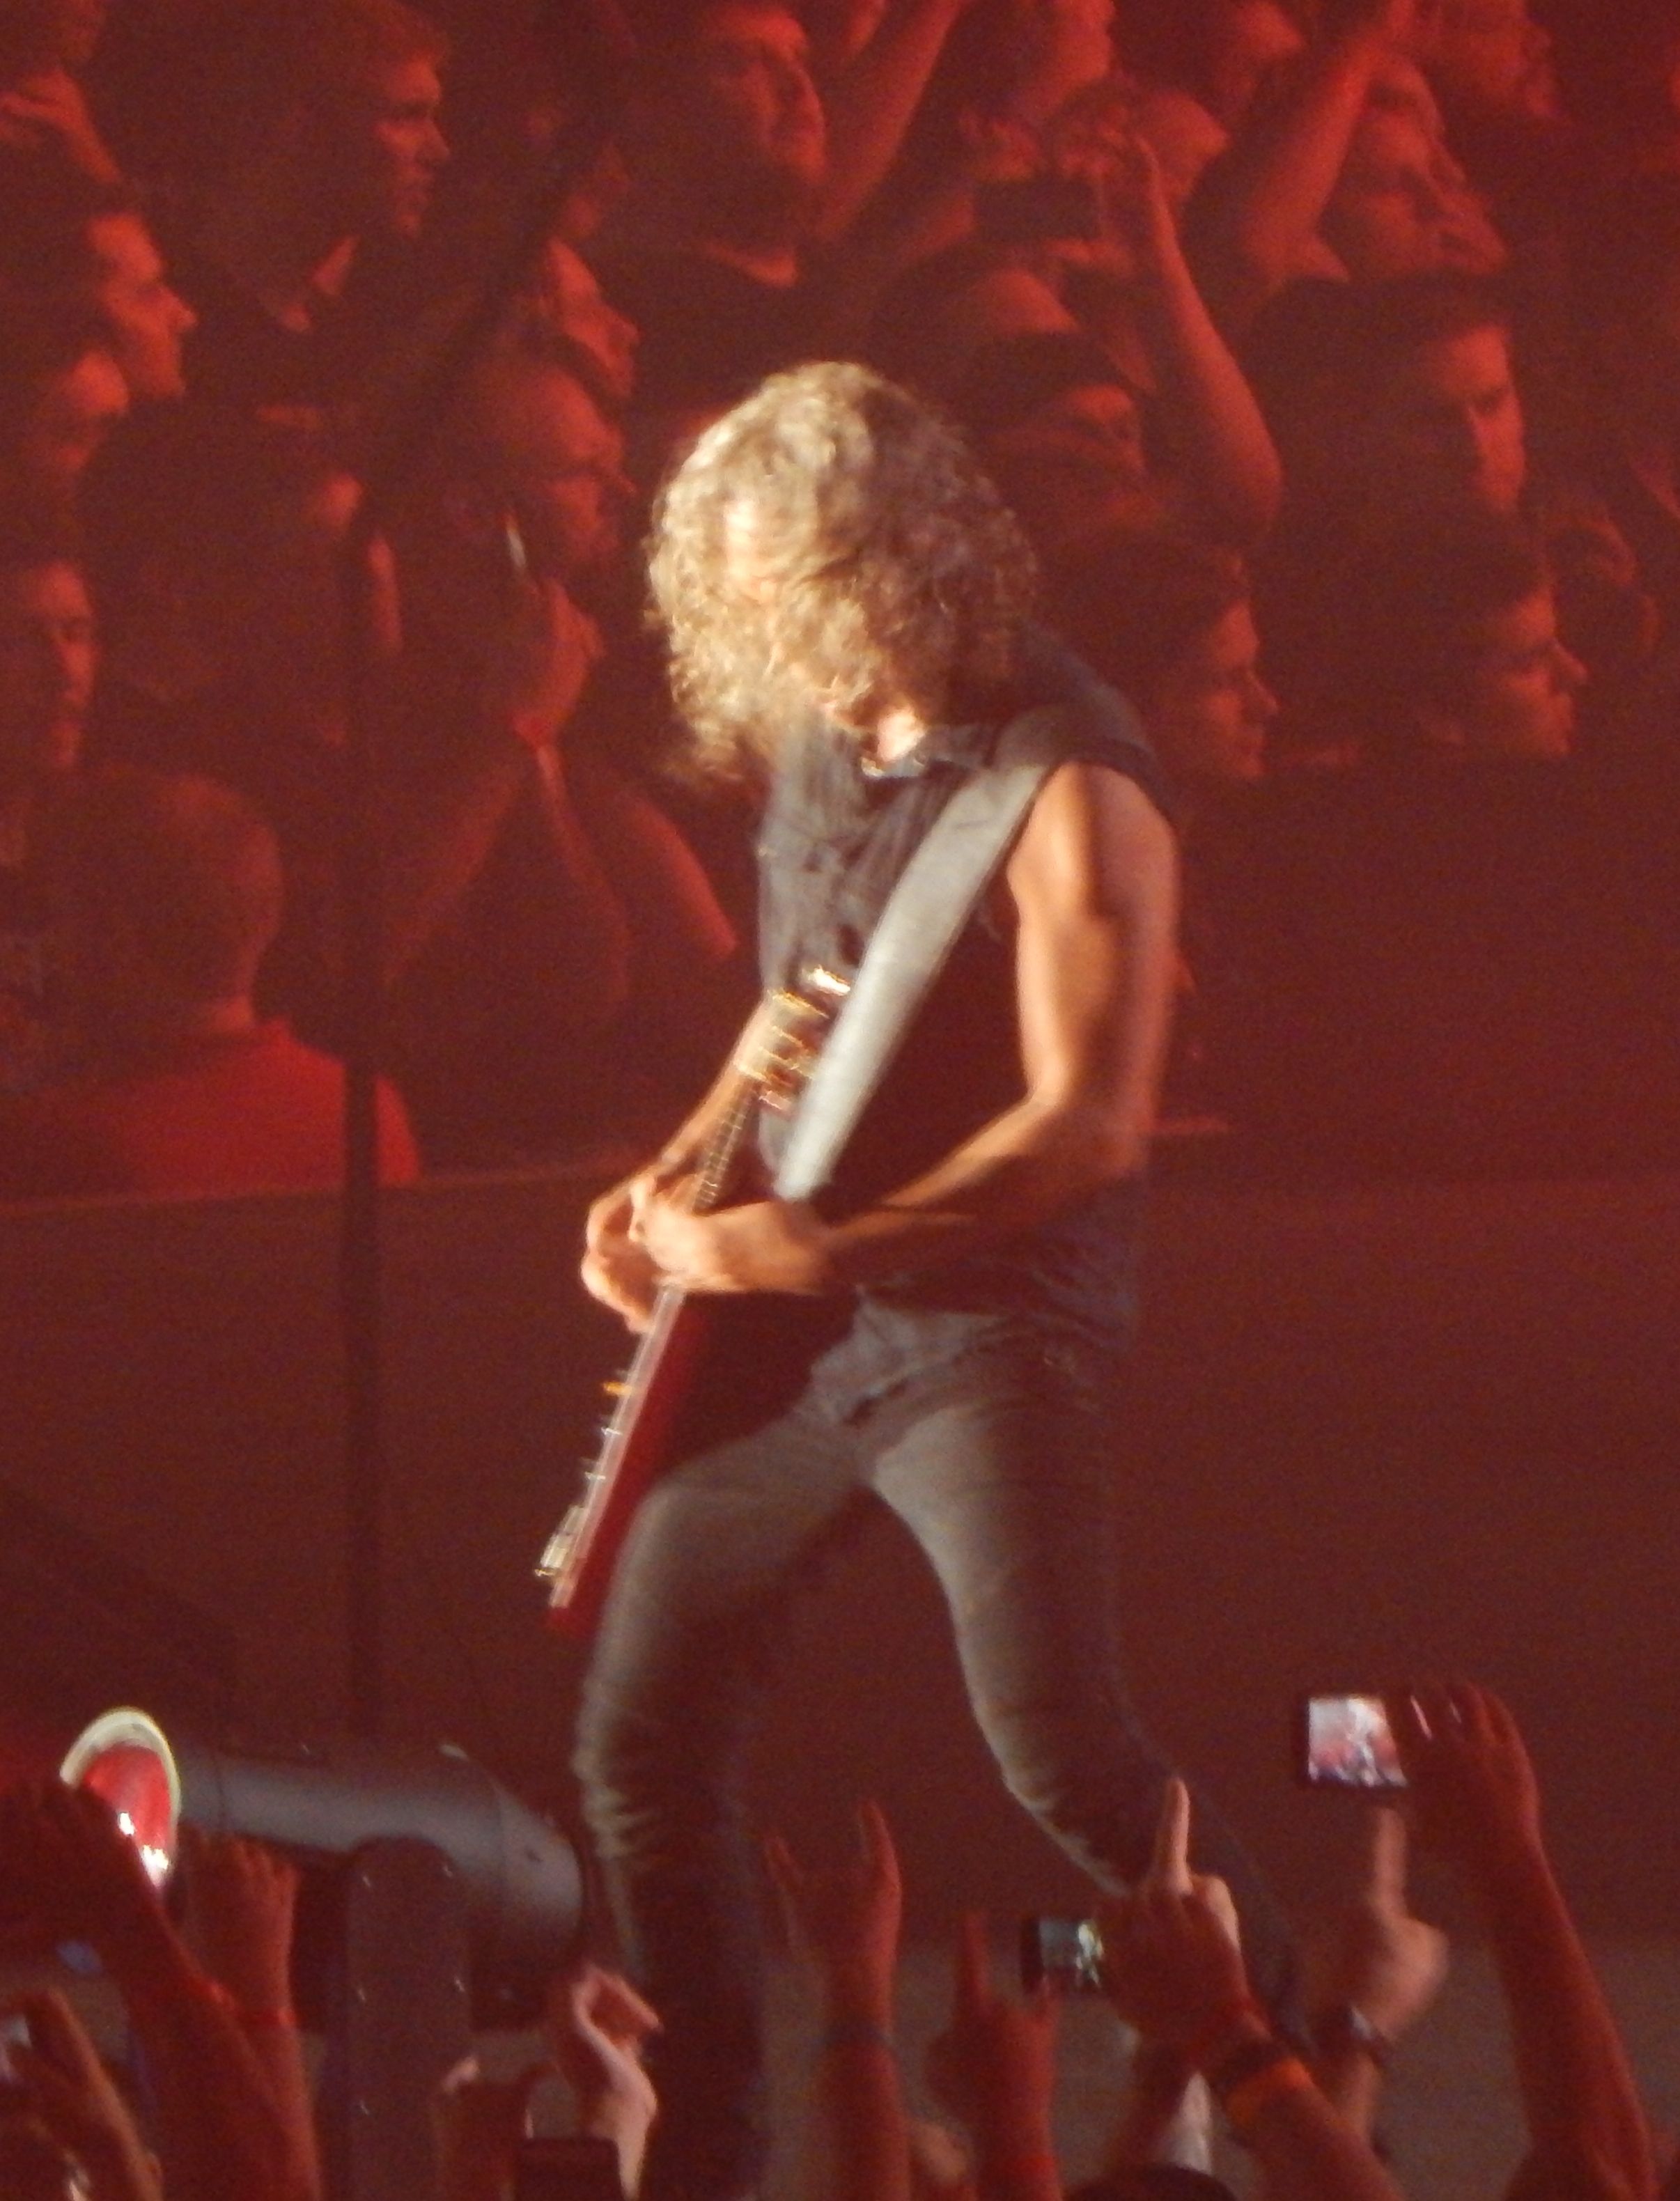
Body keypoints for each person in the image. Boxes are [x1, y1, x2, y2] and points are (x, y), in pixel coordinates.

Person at [574, 361, 1298, 2201]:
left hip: (989, 1326)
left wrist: (808, 1244)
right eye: (740, 602)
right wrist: (674, 1170)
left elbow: (1091, 1124)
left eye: (797, 598)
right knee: (642, 1735)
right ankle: (711, 2154)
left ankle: (1298, 2057)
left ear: (901, 565)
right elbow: (806, 995)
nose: (768, 642)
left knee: (1065, 1753)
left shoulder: (1072, 778)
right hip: (805, 1322)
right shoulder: (829, 729)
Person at [0, 765, 420, 1199]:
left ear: (109, 935)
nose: (47, 946)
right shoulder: (369, 1116)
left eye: (59, 914)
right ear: (267, 916)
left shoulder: (53, 1147)